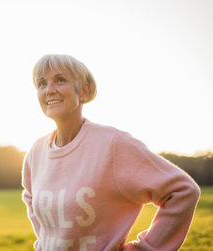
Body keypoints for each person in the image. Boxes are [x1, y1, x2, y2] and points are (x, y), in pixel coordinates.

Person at [21, 54, 200, 251]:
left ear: (84, 90)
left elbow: (182, 191)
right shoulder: (35, 152)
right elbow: (30, 198)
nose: (49, 90)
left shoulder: (113, 145)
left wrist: (144, 249)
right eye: (41, 83)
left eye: (60, 80)